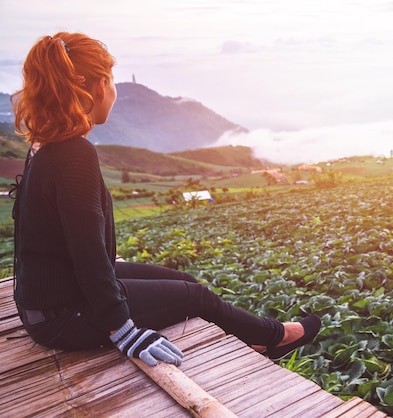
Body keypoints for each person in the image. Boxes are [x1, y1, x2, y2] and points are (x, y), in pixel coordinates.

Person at [11, 32, 320, 367]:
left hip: (48, 303)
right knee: (195, 295)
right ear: (99, 87)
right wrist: (123, 330)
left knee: (185, 282)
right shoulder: (74, 155)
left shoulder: (47, 146)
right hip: (63, 316)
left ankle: (258, 341)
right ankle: (275, 337)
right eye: (111, 80)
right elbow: (88, 253)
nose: (113, 91)